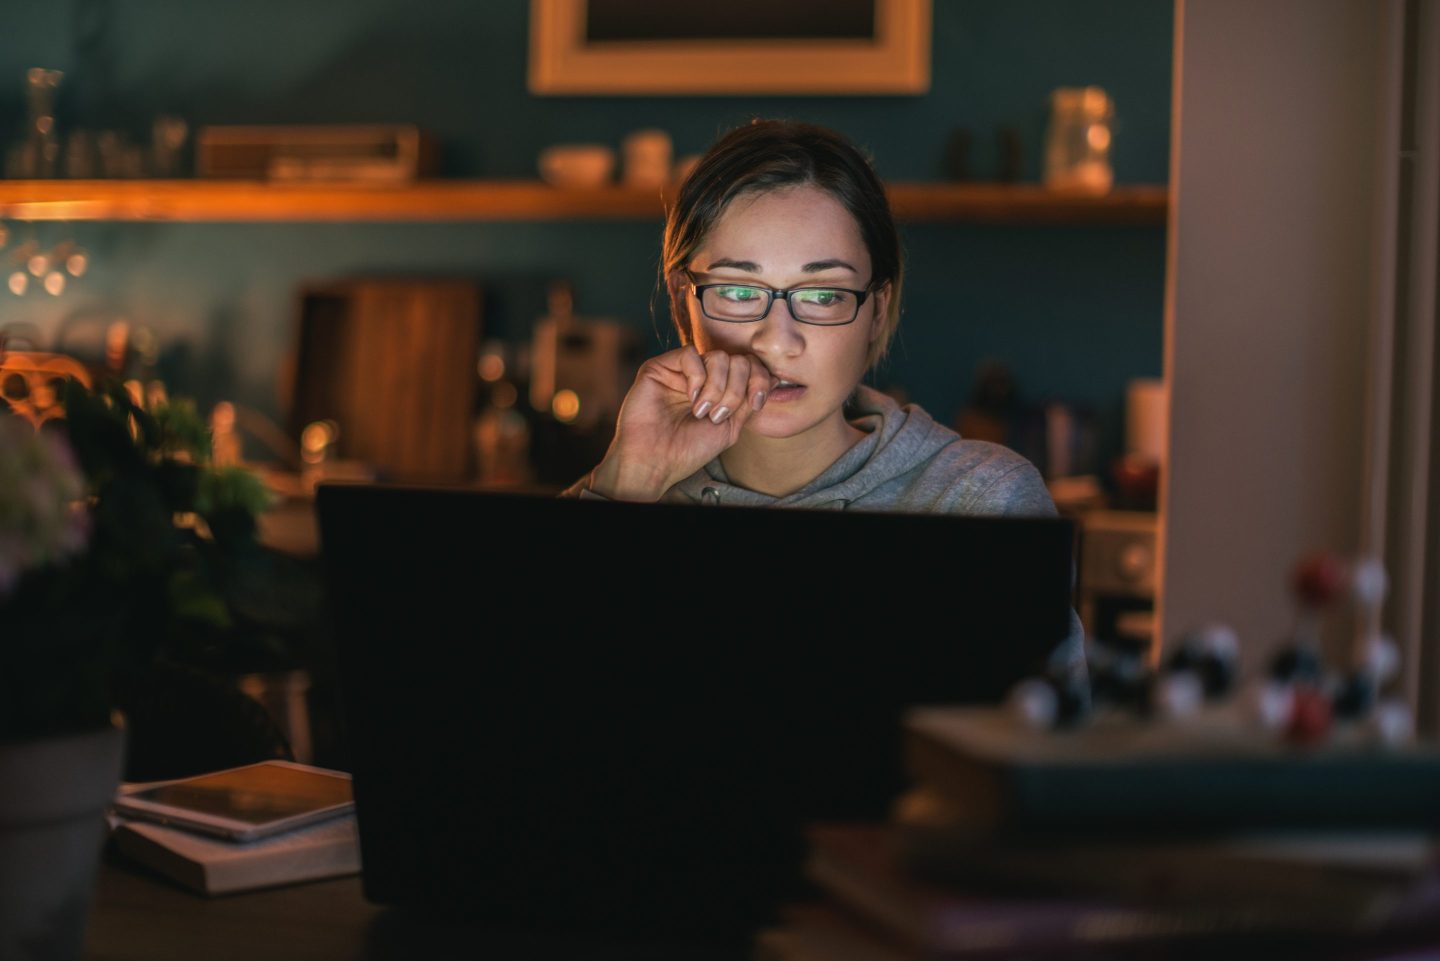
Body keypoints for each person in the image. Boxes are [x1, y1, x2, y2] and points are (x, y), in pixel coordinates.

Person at [562, 119, 1084, 681]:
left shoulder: (979, 502)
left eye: (823, 294)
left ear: (877, 310)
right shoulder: (624, 498)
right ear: (681, 300)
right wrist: (626, 483)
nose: (777, 341)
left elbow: (1041, 753)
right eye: (739, 291)